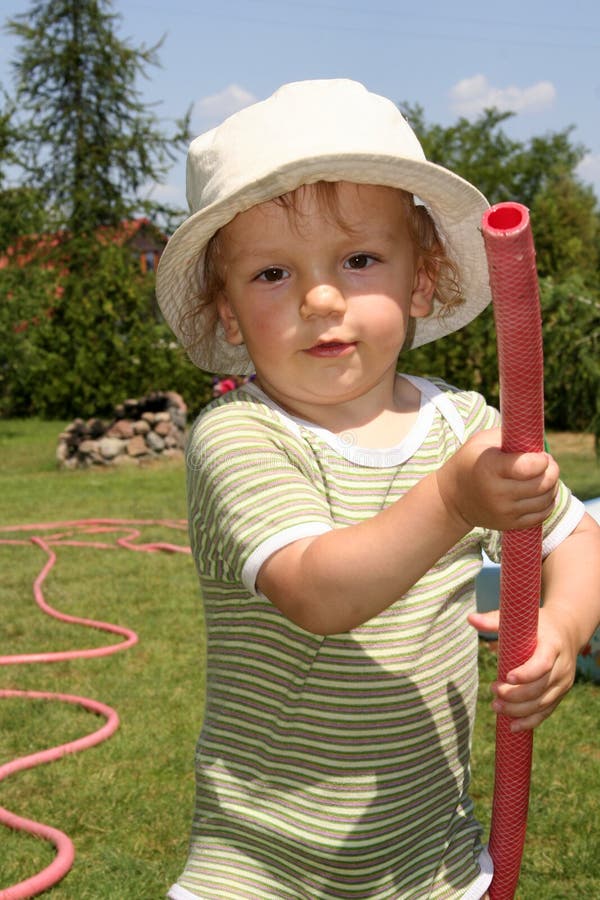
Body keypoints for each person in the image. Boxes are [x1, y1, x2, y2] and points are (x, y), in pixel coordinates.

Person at [156, 80, 600, 900]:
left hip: (430, 862)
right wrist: (455, 502)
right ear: (226, 314)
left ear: (421, 283)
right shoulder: (238, 436)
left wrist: (564, 630)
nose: (320, 298)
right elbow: (318, 591)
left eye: (359, 260)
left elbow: (579, 538)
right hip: (258, 868)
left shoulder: (462, 426)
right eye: (272, 273)